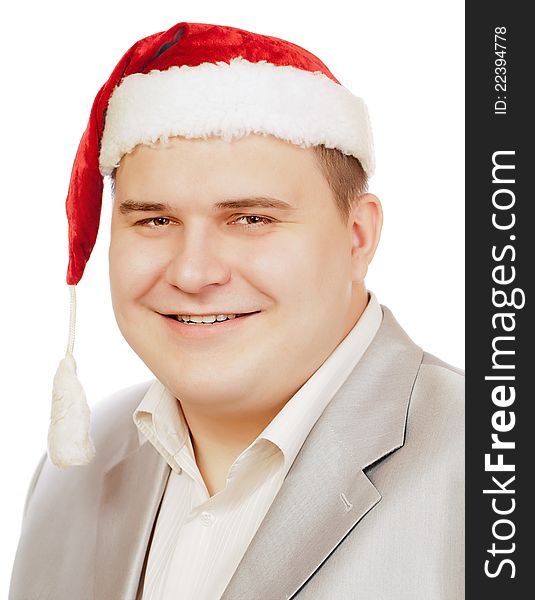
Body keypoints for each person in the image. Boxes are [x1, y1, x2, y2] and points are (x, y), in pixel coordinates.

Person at [9, 21, 464, 600]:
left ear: (357, 236)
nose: (193, 273)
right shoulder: (71, 472)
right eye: (155, 219)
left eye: (251, 219)